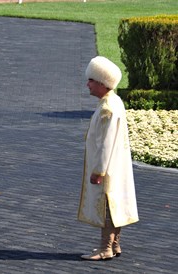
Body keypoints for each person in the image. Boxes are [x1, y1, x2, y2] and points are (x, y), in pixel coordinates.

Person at [78, 56, 139, 261]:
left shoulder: (107, 108)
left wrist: (98, 171)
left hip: (108, 168)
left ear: (102, 83)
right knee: (115, 204)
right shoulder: (114, 101)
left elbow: (105, 144)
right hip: (118, 165)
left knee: (107, 206)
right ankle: (114, 244)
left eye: (91, 81)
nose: (88, 84)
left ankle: (105, 248)